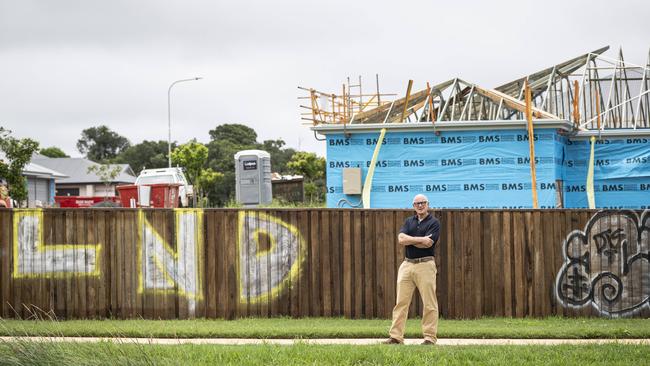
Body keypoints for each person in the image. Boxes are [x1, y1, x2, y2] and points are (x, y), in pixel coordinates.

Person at [383, 193, 440, 345]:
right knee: (401, 303)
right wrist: (420, 239)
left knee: (429, 303)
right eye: (417, 203)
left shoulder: (434, 222)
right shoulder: (409, 221)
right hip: (407, 265)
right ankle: (396, 337)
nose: (420, 205)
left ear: (428, 204)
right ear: (413, 206)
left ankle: (429, 338)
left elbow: (429, 244)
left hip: (425, 264)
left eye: (423, 203)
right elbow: (401, 239)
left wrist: (410, 240)